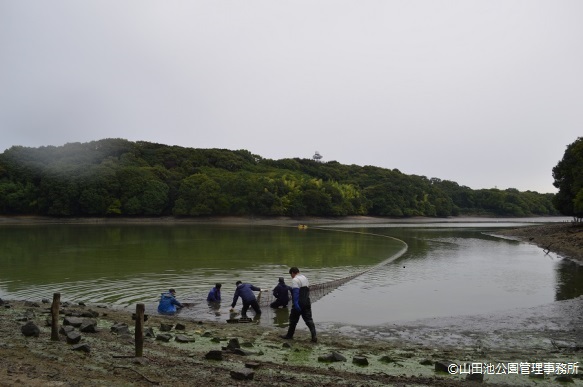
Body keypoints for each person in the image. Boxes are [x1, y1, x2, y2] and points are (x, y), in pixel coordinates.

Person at [280, 267, 317, 343]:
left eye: (291, 274)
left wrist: (296, 304)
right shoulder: (304, 277)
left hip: (299, 302)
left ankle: (289, 335)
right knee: (309, 319)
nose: (291, 276)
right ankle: (314, 336)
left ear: (293, 273)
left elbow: (296, 292)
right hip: (307, 301)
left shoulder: (295, 280)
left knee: (293, 320)